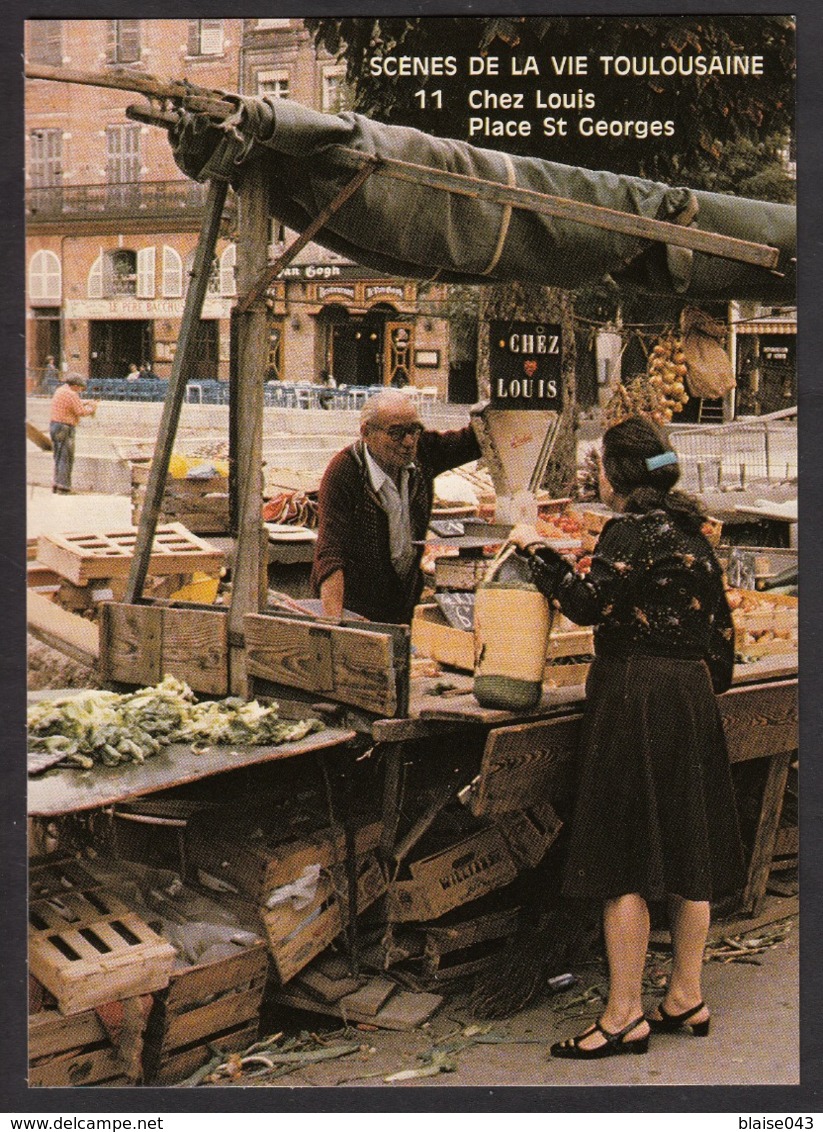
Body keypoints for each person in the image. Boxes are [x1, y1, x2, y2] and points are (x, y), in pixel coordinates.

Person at [510, 414, 745, 1060]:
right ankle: (684, 997)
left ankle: (621, 1015)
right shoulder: (693, 537)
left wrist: (534, 551)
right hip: (689, 694)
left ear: (614, 475)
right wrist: (689, 689)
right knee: (685, 852)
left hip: (633, 694)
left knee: (624, 857)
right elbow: (720, 643)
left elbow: (585, 603)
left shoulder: (628, 532)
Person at [311, 388, 482, 623]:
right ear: (366, 433)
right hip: (354, 611)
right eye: (396, 433)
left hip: (402, 607)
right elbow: (331, 553)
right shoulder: (344, 472)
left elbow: (473, 441)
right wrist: (334, 623)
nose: (409, 442)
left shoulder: (422, 453)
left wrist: (508, 398)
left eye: (414, 430)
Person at [49, 373, 98, 494]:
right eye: (80, 388)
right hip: (65, 428)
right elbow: (80, 411)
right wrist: (93, 408)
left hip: (55, 426)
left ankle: (56, 485)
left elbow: (73, 403)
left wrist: (85, 401)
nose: (81, 390)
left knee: (58, 457)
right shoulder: (72, 394)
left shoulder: (61, 390)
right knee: (67, 458)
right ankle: (64, 487)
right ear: (75, 386)